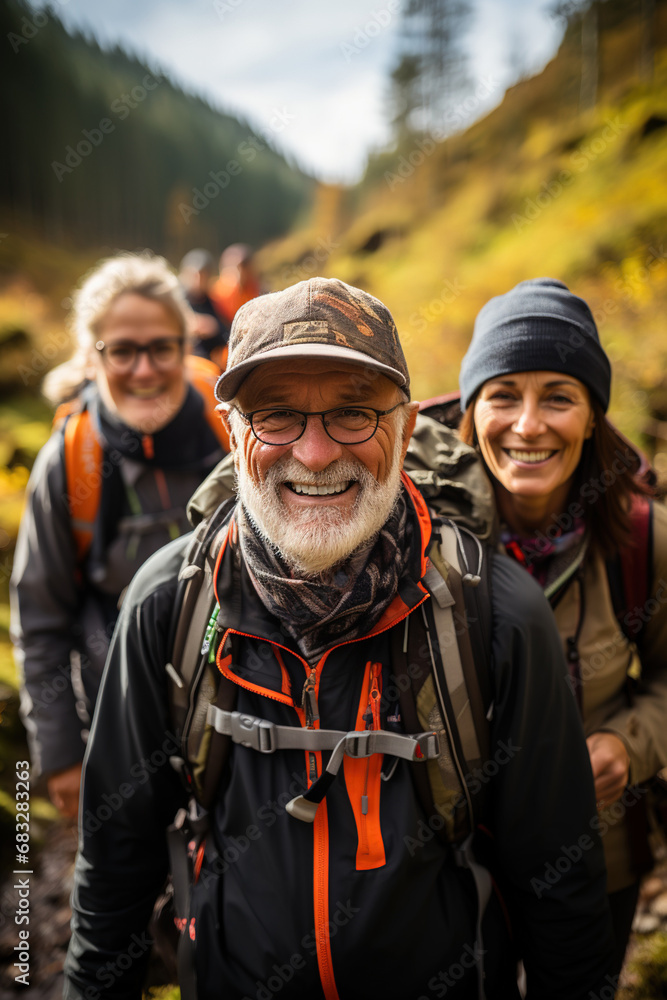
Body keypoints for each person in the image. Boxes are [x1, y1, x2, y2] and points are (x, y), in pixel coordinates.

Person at [64, 277, 613, 999]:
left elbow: (560, 887)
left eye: (354, 413)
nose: (316, 454)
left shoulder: (495, 613)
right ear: (233, 430)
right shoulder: (170, 600)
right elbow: (114, 864)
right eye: (276, 417)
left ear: (407, 427)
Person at [458, 276, 667, 978]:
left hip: (596, 855)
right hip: (450, 864)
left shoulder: (641, 539)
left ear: (591, 415)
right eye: (502, 394)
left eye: (557, 395)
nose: (526, 424)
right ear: (471, 410)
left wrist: (628, 743)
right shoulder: (420, 536)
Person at [10, 252, 229, 819]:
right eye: (122, 350)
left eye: (161, 347)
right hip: (121, 718)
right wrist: (58, 756)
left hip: (243, 711)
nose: (144, 369)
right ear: (92, 355)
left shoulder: (233, 427)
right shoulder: (69, 465)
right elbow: (41, 618)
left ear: (188, 345)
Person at [178, 248, 230, 367]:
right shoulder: (175, 299)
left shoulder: (211, 301)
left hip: (207, 363)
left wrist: (214, 326)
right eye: (195, 276)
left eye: (203, 276)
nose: (198, 281)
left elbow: (226, 333)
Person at [209, 241, 261, 324]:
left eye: (243, 268)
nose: (240, 274)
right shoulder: (215, 294)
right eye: (236, 268)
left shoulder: (257, 288)